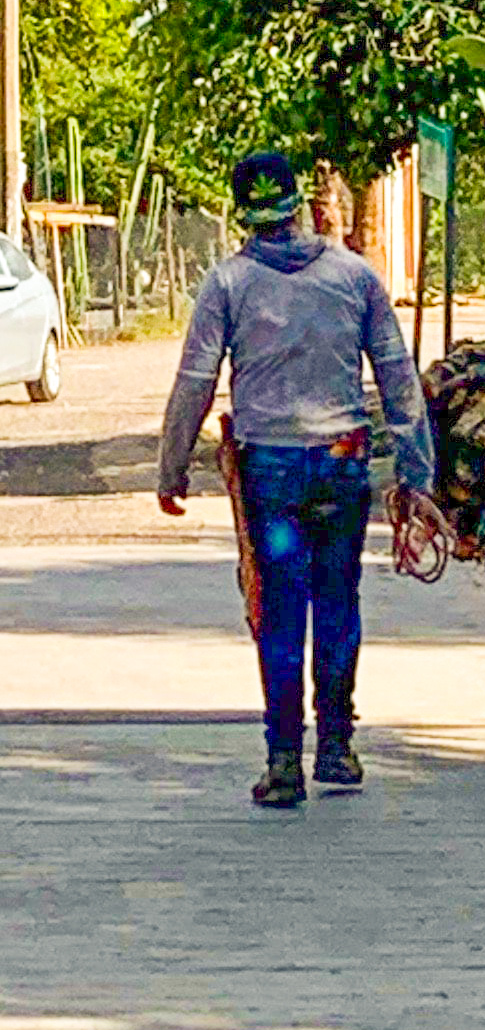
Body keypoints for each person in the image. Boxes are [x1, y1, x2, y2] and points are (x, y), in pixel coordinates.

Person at [157, 151, 438, 808]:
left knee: (279, 611)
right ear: (306, 207)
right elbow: (399, 380)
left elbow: (195, 381)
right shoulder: (356, 278)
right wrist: (417, 472)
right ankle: (337, 747)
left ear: (244, 216)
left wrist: (170, 467)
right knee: (338, 603)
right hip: (343, 460)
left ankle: (284, 761)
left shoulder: (227, 283)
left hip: (271, 469)